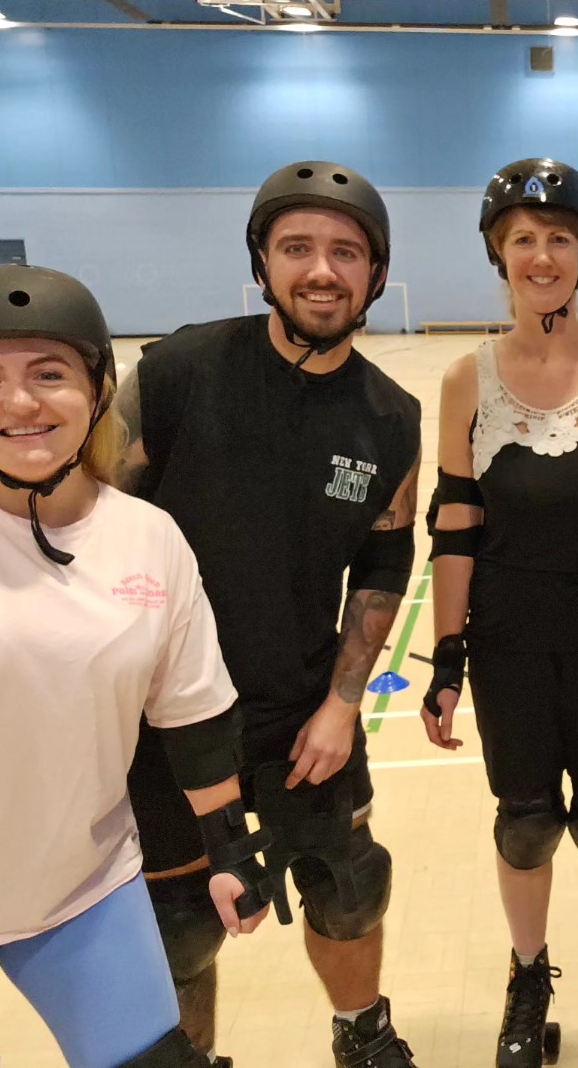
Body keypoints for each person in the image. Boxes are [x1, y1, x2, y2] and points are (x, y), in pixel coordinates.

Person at [117, 161, 424, 1067]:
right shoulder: (175, 373)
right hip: (159, 720)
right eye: (298, 248)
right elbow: (94, 518)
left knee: (349, 888)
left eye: (345, 251)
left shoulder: (390, 416)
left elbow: (382, 559)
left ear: (374, 272)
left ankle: (361, 1034)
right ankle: (187, 1053)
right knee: (179, 927)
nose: (321, 270)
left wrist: (342, 704)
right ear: (262, 263)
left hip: (301, 714)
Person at [0, 264, 270, 1068]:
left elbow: (192, 715)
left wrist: (229, 849)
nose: (19, 403)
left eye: (49, 373)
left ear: (99, 387)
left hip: (81, 892)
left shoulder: (147, 537)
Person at [418, 157, 578, 1068]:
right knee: (524, 822)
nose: (541, 253)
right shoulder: (465, 378)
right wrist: (447, 658)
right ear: (499, 253)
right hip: (511, 637)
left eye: (558, 237)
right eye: (522, 238)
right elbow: (455, 524)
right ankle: (530, 980)